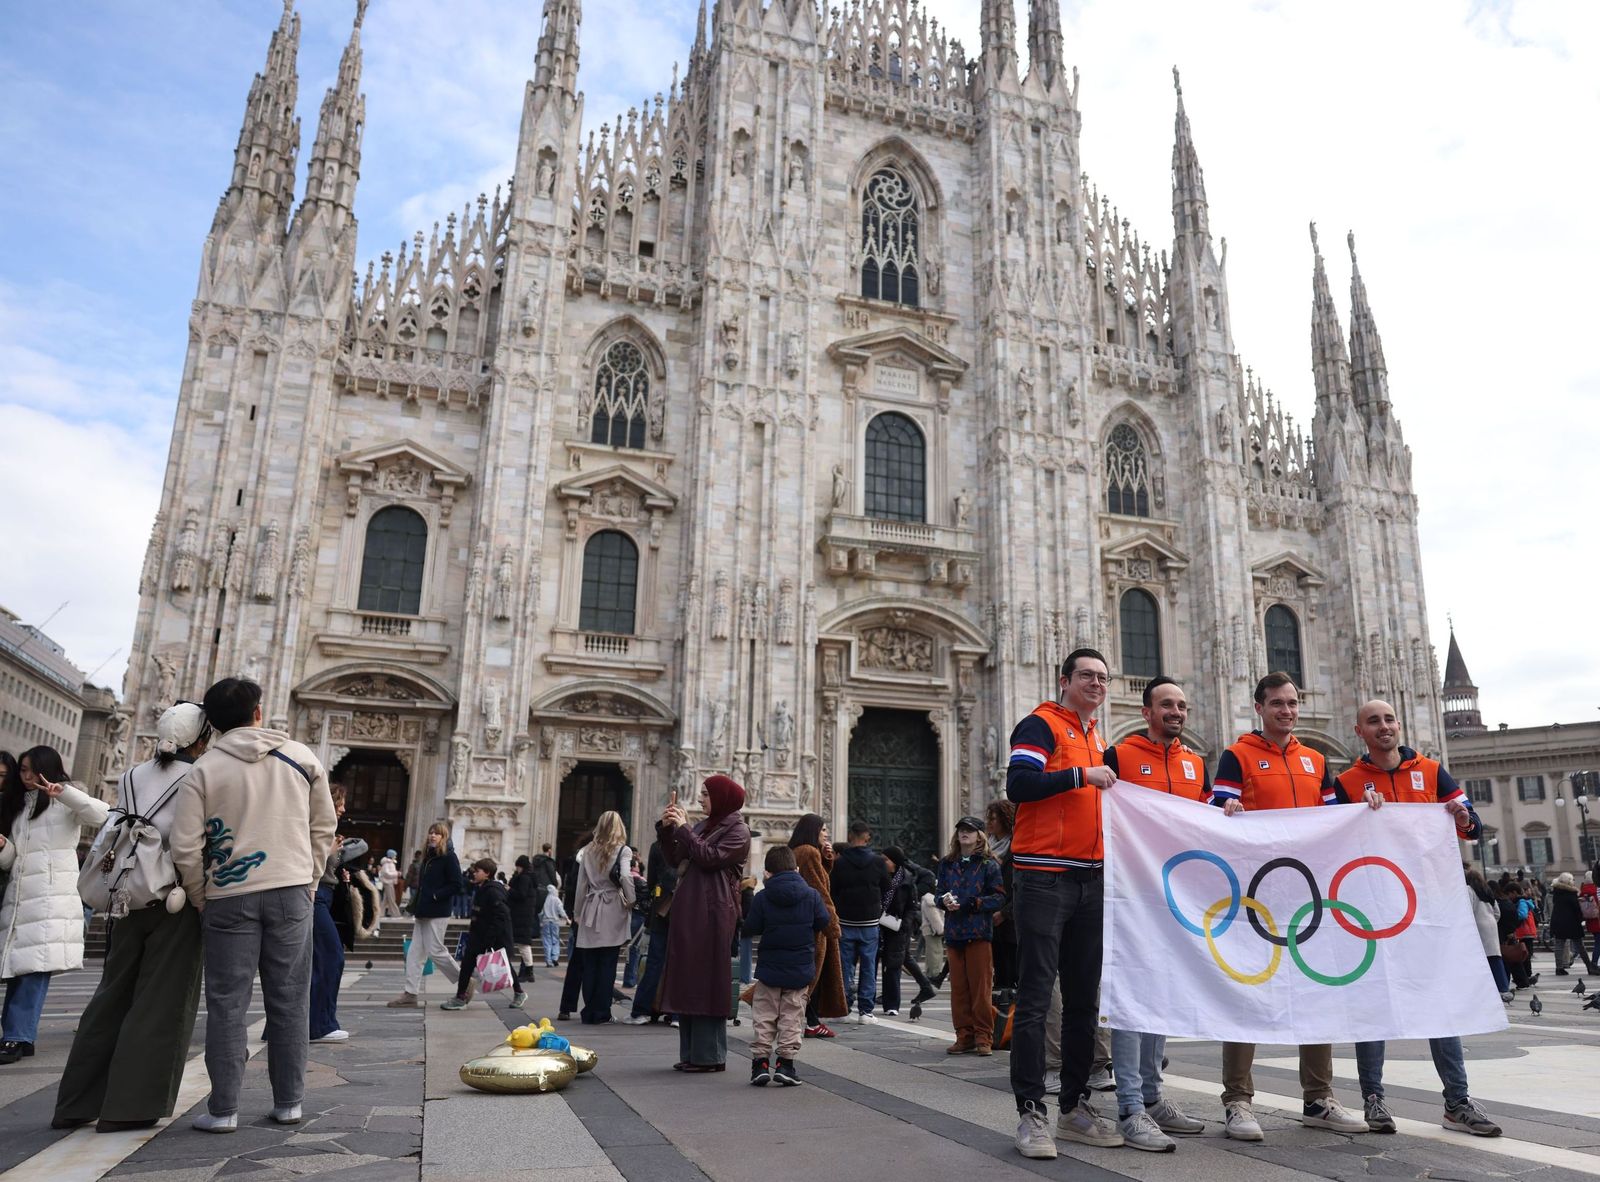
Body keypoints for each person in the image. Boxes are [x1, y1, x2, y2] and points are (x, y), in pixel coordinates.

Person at [171, 678, 336, 1132]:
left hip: (228, 896)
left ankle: (224, 1110)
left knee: (227, 1003)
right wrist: (310, 878)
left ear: (212, 723)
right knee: (290, 999)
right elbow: (324, 827)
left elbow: (184, 846)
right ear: (258, 712)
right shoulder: (300, 757)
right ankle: (290, 1103)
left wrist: (201, 894)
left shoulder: (203, 769)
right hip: (291, 891)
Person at [1330, 699, 1499, 1136]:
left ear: (1399, 724)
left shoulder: (1432, 771)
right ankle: (1373, 1098)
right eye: (1373, 721)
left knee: (1440, 1000)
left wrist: (1462, 817)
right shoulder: (1347, 782)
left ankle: (1457, 1102)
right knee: (1374, 1000)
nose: (1383, 726)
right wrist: (1355, 814)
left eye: (1389, 719)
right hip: (1371, 906)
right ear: (1360, 731)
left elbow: (1473, 826)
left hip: (1429, 905)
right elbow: (1328, 839)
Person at [1210, 672, 1365, 1140]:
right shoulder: (1237, 755)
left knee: (1317, 992)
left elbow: (1337, 817)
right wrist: (1227, 812)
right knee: (1246, 993)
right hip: (1256, 896)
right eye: (1277, 703)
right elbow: (1217, 809)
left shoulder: (1315, 760)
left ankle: (1318, 1098)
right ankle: (1238, 1101)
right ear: (1259, 708)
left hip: (1308, 895)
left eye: (1292, 702)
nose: (1287, 710)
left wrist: (1368, 808)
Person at [51, 707, 208, 1129]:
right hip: (173, 898)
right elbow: (190, 845)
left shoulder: (133, 775)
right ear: (201, 740)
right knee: (162, 1003)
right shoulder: (200, 777)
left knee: (111, 996)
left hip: (126, 895)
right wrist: (200, 896)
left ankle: (76, 1103)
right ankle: (130, 1108)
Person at [1004, 648, 1121, 1158]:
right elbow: (1019, 785)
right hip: (1043, 878)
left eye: (1103, 677)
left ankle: (1074, 1106)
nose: (1096, 683)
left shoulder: (1096, 737)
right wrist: (1080, 775)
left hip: (1090, 879)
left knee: (1083, 1001)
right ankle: (1031, 1113)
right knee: (1035, 998)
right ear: (1064, 680)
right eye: (1087, 675)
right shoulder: (1041, 725)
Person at [1098, 676, 1211, 1150]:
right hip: (1130, 895)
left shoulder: (1196, 764)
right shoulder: (1119, 756)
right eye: (1166, 704)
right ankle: (1130, 1105)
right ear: (1146, 712)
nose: (1176, 712)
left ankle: (1152, 1094)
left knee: (1161, 994)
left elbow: (1206, 821)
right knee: (1131, 997)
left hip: (1177, 899)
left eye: (1181, 705)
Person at [0, 746, 112, 1065]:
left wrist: (64, 793)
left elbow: (102, 814)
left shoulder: (65, 801)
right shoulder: (20, 806)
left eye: (30, 770)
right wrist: (4, 846)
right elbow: (12, 861)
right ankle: (18, 1036)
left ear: (46, 769)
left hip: (50, 899)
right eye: (22, 770)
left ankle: (17, 1036)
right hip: (21, 898)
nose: (25, 776)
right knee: (19, 970)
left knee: (34, 969)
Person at [656, 775, 750, 1070]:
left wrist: (685, 829)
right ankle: (691, 1054)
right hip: (690, 910)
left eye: (706, 794)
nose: (700, 799)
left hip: (713, 911)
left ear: (722, 798)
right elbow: (676, 858)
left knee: (707, 981)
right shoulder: (703, 827)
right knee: (688, 979)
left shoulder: (738, 830)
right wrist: (667, 830)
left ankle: (710, 1056)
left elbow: (710, 857)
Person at [745, 845, 830, 1086]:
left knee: (764, 1015)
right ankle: (785, 1064)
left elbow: (752, 927)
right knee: (792, 1017)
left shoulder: (763, 897)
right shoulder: (812, 895)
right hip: (799, 968)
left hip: (770, 968)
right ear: (797, 869)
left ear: (768, 872)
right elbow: (823, 921)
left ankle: (760, 1064)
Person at [935, 816, 1004, 1056]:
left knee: (980, 988)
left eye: (970, 830)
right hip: (954, 933)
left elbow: (999, 897)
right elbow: (938, 893)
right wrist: (942, 901)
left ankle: (983, 1037)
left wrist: (973, 903)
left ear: (979, 836)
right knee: (959, 989)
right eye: (961, 830)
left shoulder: (988, 864)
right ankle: (963, 1036)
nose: (964, 833)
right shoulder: (946, 864)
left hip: (979, 932)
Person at [311, 785, 368, 1045]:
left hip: (325, 895)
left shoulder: (327, 828)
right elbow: (305, 859)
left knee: (316, 962)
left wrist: (339, 871)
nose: (343, 808)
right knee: (331, 957)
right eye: (339, 802)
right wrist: (330, 852)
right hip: (314, 898)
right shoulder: (315, 825)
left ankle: (305, 1024)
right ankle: (320, 1025)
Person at [388, 822, 464, 1006]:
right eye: (431, 832)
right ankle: (410, 993)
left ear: (443, 837)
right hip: (423, 910)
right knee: (415, 953)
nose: (432, 836)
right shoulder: (429, 856)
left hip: (438, 911)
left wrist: (436, 895)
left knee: (436, 951)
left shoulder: (449, 857)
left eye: (437, 833)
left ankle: (465, 981)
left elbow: (457, 884)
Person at [571, 811, 635, 1024]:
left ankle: (589, 1010)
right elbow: (625, 876)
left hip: (591, 906)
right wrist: (632, 899)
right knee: (608, 962)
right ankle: (602, 1011)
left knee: (590, 963)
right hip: (612, 907)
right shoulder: (623, 850)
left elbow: (581, 885)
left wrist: (577, 912)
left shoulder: (587, 850)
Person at [441, 858, 527, 1011]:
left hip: (491, 937)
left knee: (503, 965)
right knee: (467, 964)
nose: (474, 873)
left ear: (487, 873)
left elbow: (501, 915)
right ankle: (460, 997)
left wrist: (489, 939)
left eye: (477, 871)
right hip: (480, 935)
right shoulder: (483, 888)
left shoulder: (492, 891)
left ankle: (519, 992)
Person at [789, 814, 847, 1038]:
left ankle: (812, 1022)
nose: (826, 833)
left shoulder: (800, 851)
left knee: (813, 974)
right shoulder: (809, 852)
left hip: (802, 920)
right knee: (813, 974)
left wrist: (826, 860)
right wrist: (832, 923)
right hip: (815, 923)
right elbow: (819, 890)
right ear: (812, 830)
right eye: (823, 830)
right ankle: (807, 1022)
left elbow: (814, 879)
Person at [830, 819, 891, 1023]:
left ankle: (844, 1008)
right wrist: (879, 908)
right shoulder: (878, 862)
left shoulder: (839, 863)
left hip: (846, 921)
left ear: (849, 836)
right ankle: (866, 1011)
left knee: (845, 966)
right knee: (868, 966)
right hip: (869, 921)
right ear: (868, 837)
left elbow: (833, 890)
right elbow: (887, 887)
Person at [877, 845, 936, 1016]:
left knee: (895, 961)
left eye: (886, 859)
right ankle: (924, 987)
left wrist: (905, 924)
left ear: (895, 861)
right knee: (899, 958)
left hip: (898, 926)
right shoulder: (880, 875)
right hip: (880, 924)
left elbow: (911, 905)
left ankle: (892, 1002)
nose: (882, 862)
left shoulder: (907, 879)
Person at [623, 838, 677, 1024]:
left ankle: (641, 1011)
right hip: (685, 911)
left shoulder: (658, 845)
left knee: (654, 962)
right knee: (679, 964)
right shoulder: (691, 841)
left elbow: (652, 881)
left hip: (662, 911)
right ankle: (677, 1014)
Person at [986, 800, 1019, 991]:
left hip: (1010, 922)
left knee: (1011, 974)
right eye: (988, 819)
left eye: (993, 819)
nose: (989, 823)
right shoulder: (985, 847)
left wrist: (1005, 913)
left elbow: (1021, 886)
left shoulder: (1016, 847)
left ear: (1005, 820)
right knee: (998, 977)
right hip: (990, 919)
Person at [1466, 868, 1512, 1001]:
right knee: (1495, 957)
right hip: (1491, 925)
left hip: (1478, 925)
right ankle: (1503, 987)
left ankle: (1484, 989)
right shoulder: (1487, 891)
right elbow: (1497, 912)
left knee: (1481, 958)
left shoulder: (1469, 890)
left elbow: (1468, 908)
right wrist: (1491, 921)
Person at [1549, 872, 1599, 975]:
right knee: (1580, 946)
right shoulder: (1571, 894)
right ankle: (1589, 966)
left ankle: (1559, 968)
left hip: (1558, 921)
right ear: (1568, 881)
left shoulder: (1557, 893)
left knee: (1559, 945)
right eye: (1572, 879)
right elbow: (1576, 909)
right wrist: (1581, 917)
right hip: (1571, 923)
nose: (1574, 881)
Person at [1496, 880, 1536, 989]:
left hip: (1525, 931)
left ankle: (1526, 976)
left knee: (1521, 954)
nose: (1508, 896)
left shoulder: (1521, 902)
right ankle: (1524, 979)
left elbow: (1522, 915)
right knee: (1519, 954)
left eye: (1509, 894)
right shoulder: (1518, 901)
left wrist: (1514, 917)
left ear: (1514, 892)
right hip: (1523, 931)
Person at [508, 855, 542, 984]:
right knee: (523, 944)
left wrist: (509, 890)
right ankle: (527, 972)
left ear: (520, 866)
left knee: (523, 945)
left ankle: (528, 972)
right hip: (525, 915)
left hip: (521, 915)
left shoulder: (524, 878)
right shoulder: (529, 878)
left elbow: (521, 894)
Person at [1581, 869, 1600, 969]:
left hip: (1590, 921)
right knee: (1598, 943)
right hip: (1598, 920)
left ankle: (1594, 963)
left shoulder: (1583, 891)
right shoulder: (1596, 890)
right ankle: (1594, 963)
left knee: (1597, 941)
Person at [379, 849, 401, 918]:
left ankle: (380, 913)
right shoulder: (387, 864)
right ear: (391, 856)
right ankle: (395, 914)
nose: (395, 857)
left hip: (389, 882)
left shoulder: (390, 863)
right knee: (392, 899)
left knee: (386, 899)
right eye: (394, 855)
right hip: (388, 882)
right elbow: (386, 873)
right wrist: (396, 874)